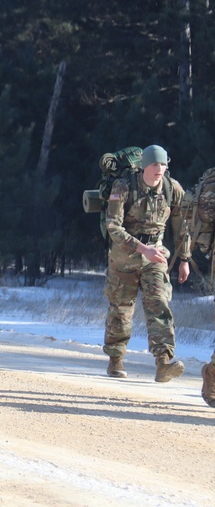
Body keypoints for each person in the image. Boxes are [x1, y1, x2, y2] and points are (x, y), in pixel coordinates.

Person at [102, 144, 190, 382]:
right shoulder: (122, 187)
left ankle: (163, 362)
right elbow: (113, 226)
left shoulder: (173, 189)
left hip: (156, 256)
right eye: (154, 164)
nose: (159, 169)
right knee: (121, 310)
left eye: (163, 164)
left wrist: (184, 259)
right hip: (125, 256)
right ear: (144, 166)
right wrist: (142, 248)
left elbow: (182, 226)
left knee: (159, 304)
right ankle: (115, 359)